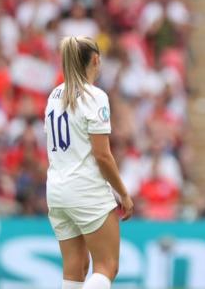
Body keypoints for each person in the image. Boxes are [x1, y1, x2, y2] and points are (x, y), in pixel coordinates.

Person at [45, 36, 134, 289]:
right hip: (85, 189)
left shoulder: (53, 95)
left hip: (57, 191)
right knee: (107, 266)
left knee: (76, 268)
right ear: (95, 59)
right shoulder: (95, 96)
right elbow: (102, 155)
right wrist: (124, 194)